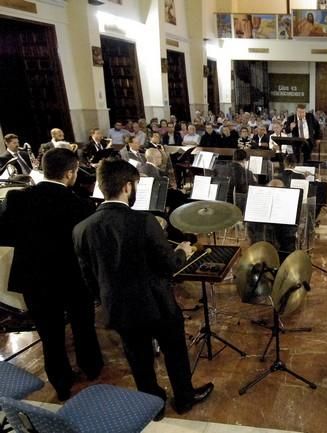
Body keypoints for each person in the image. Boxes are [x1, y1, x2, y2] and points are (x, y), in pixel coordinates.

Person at [72, 159, 213, 416]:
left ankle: (152, 405)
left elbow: (88, 276)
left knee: (138, 359)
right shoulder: (144, 222)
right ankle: (183, 398)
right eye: (135, 185)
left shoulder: (82, 229)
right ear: (127, 187)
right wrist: (182, 250)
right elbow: (168, 264)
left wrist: (106, 299)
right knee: (174, 351)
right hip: (156, 304)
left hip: (119, 307)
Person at [0, 148, 103, 401]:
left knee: (50, 334)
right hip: (72, 278)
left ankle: (61, 382)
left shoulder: (17, 199)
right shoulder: (80, 205)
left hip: (34, 278)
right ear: (70, 173)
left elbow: (4, 235)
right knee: (82, 326)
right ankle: (91, 368)